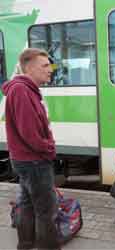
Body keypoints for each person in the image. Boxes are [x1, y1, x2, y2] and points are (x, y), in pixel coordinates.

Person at [5, 48, 58, 250]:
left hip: (27, 160)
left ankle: (26, 244)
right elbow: (30, 134)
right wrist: (49, 148)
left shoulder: (26, 89)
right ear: (29, 68)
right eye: (44, 66)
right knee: (46, 210)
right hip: (34, 160)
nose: (50, 70)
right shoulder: (21, 90)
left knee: (27, 205)